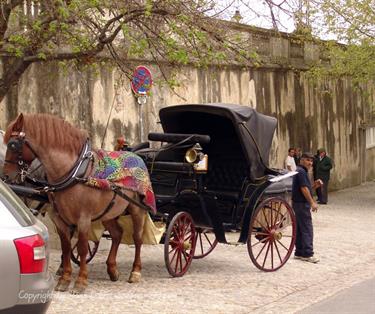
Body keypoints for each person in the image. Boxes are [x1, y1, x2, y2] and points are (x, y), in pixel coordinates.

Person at [292, 152, 322, 263]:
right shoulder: (301, 171)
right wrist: (312, 203)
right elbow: (304, 189)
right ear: (302, 160)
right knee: (307, 229)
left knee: (300, 228)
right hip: (301, 203)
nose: (310, 163)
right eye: (308, 160)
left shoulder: (299, 171)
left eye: (311, 161)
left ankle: (299, 252)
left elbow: (306, 188)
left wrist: (315, 186)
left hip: (297, 203)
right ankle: (308, 254)